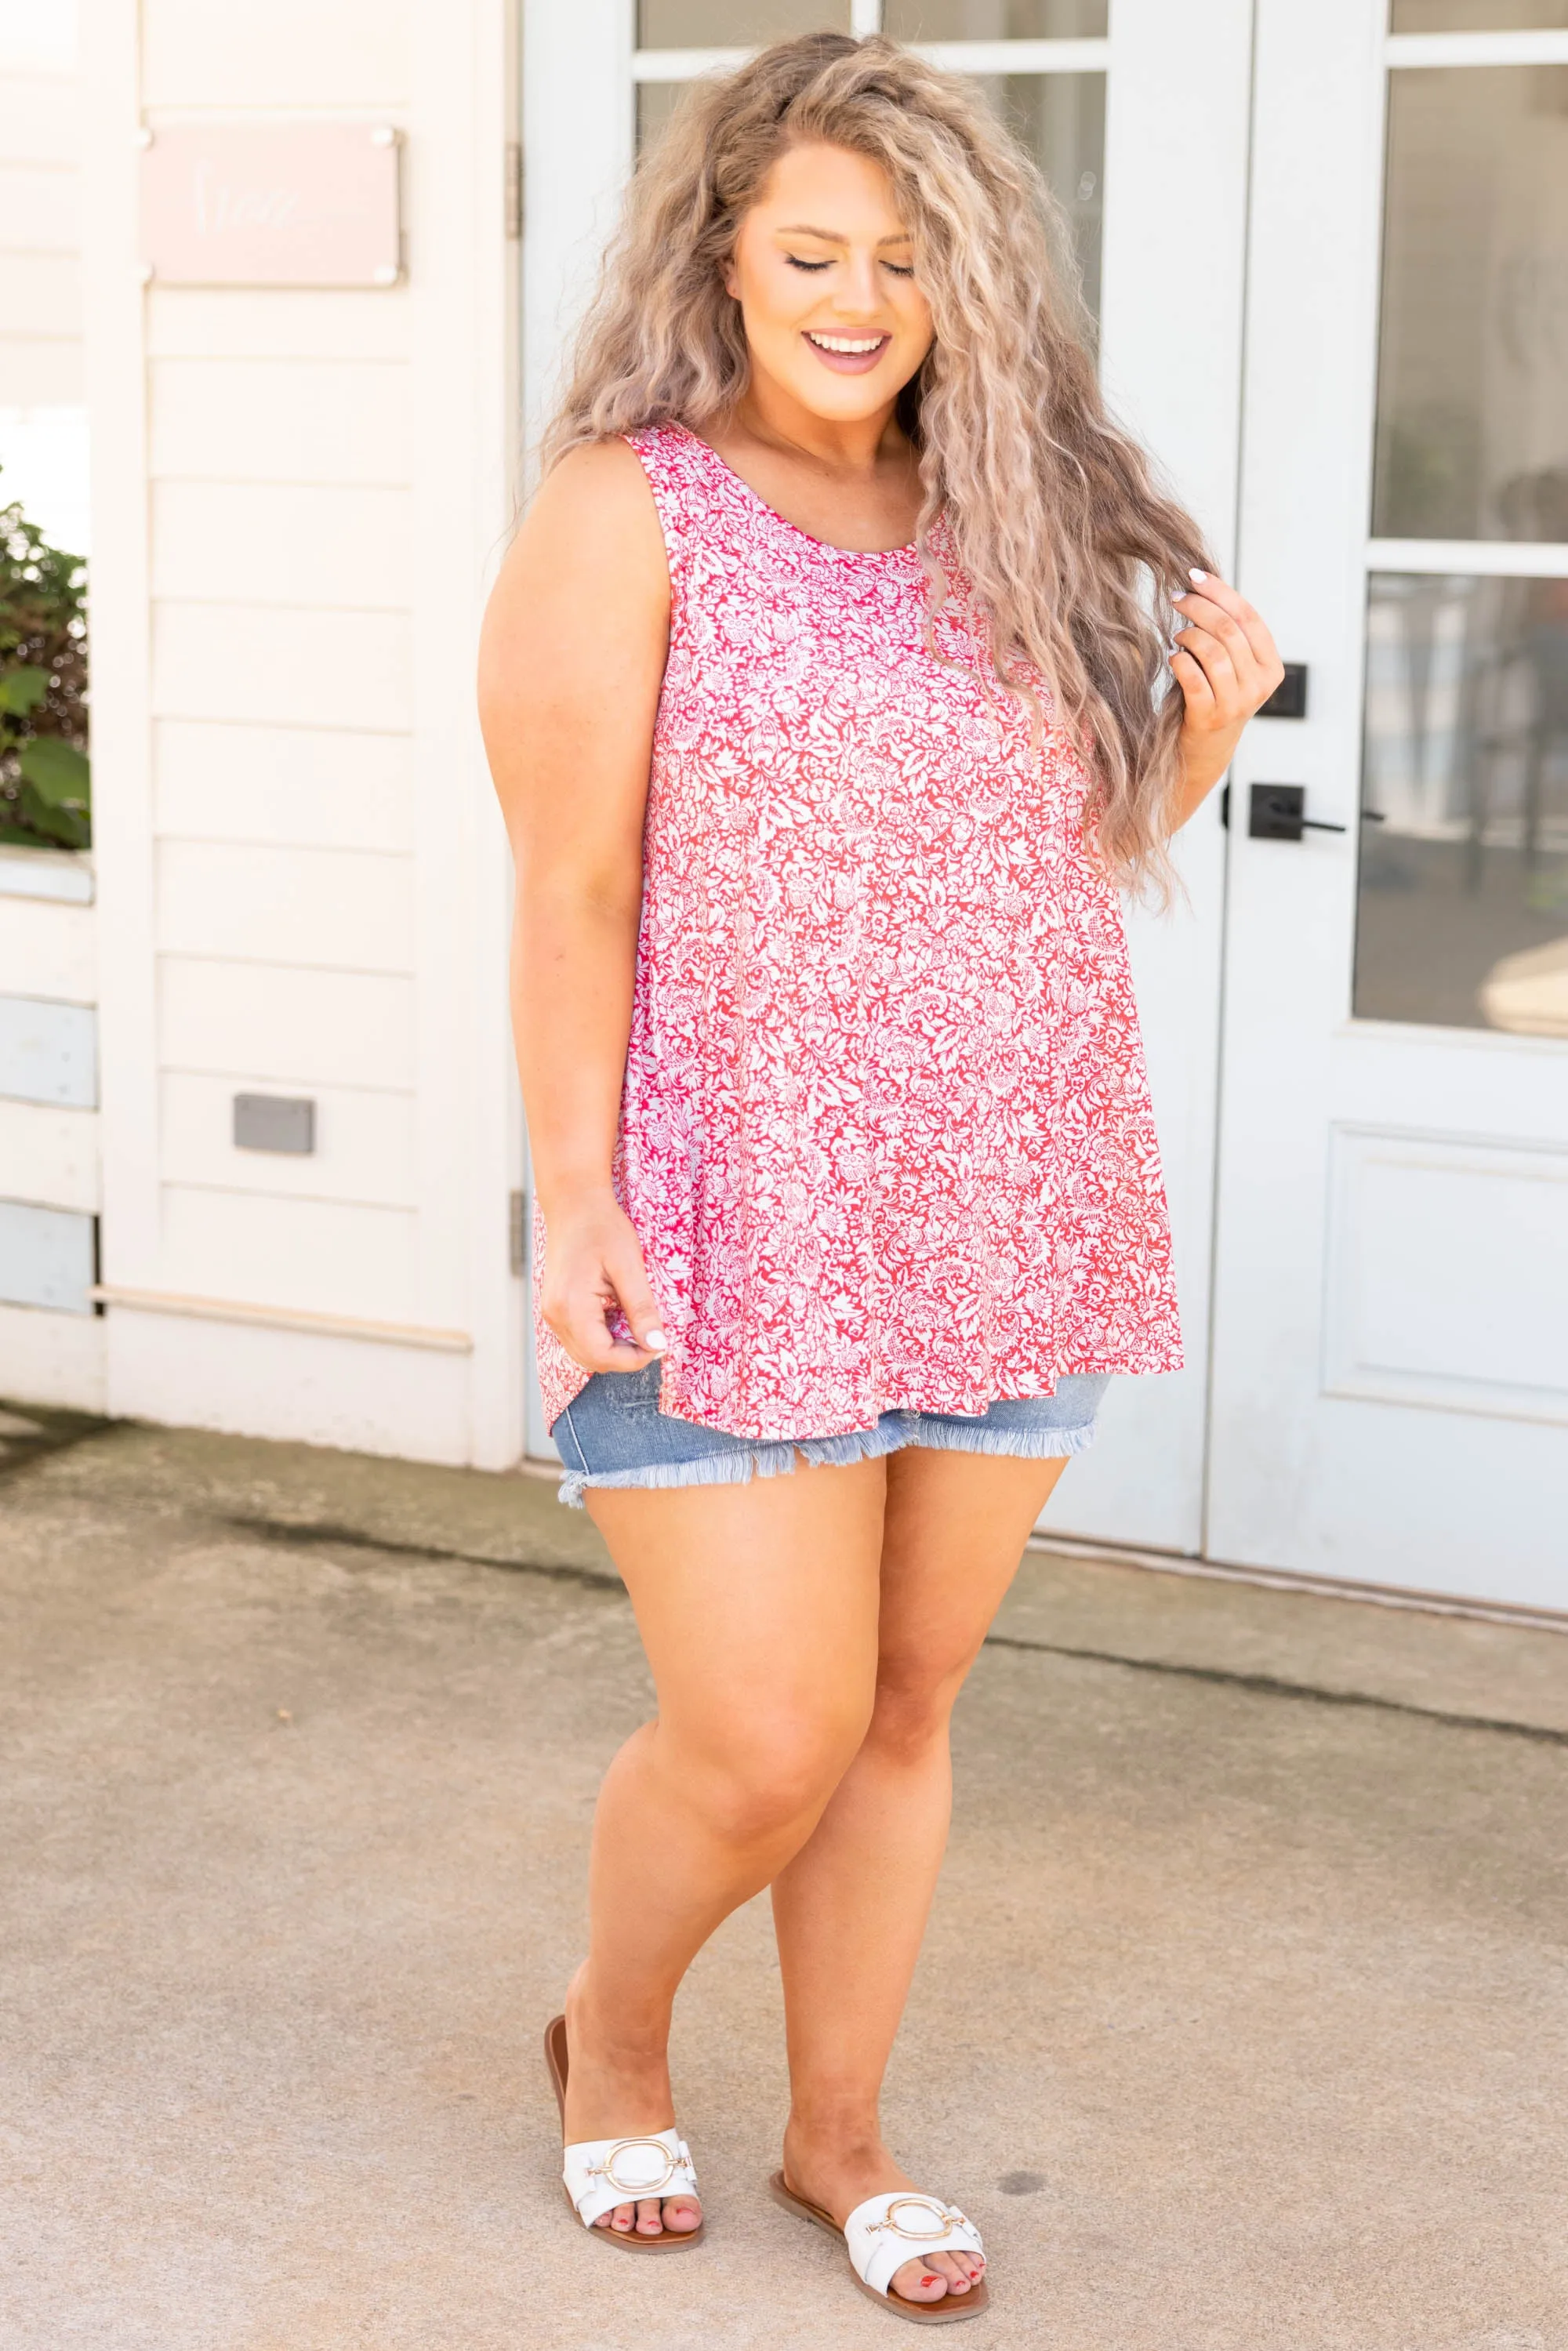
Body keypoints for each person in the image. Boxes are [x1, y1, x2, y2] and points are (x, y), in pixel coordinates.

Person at [478, 31, 1282, 2324]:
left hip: (1006, 1182)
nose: (858, 295)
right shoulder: (627, 508)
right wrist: (577, 1190)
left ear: (968, 281)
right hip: (736, 1198)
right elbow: (573, 895)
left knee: (907, 1708)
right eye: (812, 248)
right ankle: (610, 2033)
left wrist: (1193, 750)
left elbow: (1035, 866)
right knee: (762, 1732)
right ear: (721, 255)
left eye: (905, 259)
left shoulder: (993, 513)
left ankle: (840, 2136)